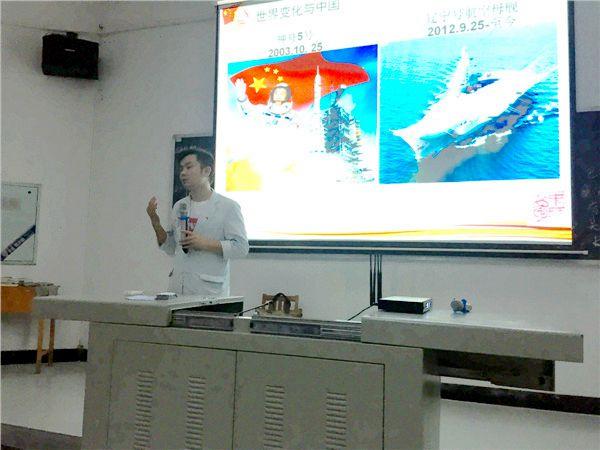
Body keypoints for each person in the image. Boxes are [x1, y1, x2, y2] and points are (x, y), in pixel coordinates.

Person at [146, 149, 249, 296]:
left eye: (189, 167)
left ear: (206, 171)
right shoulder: (179, 206)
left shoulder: (228, 206)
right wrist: (155, 222)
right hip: (177, 289)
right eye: (181, 168)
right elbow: (171, 248)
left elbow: (241, 248)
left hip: (209, 292)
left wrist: (204, 243)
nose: (183, 173)